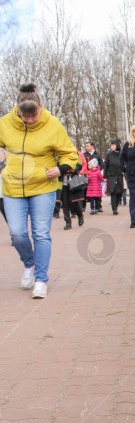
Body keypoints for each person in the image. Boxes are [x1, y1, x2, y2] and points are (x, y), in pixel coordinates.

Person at [0, 83, 78, 298]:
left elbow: (71, 155)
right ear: (17, 111)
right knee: (16, 233)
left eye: (34, 115)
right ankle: (29, 263)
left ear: (40, 107)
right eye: (25, 117)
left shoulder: (52, 124)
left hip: (43, 185)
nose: (30, 120)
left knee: (41, 233)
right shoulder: (5, 123)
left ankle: (41, 279)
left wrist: (60, 168)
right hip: (13, 187)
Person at [103, 139, 124, 214]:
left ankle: (117, 205)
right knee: (113, 192)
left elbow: (124, 164)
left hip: (119, 175)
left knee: (119, 192)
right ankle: (114, 208)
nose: (112, 147)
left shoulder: (121, 154)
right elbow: (106, 166)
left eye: (113, 145)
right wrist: (105, 176)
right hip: (111, 175)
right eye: (111, 145)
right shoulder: (109, 154)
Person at [83, 141, 104, 211]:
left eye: (88, 146)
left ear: (92, 146)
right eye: (86, 146)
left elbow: (102, 164)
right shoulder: (84, 155)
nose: (86, 148)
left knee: (97, 191)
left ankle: (99, 206)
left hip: (96, 177)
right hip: (87, 175)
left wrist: (97, 170)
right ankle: (84, 206)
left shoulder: (97, 154)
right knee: (86, 191)